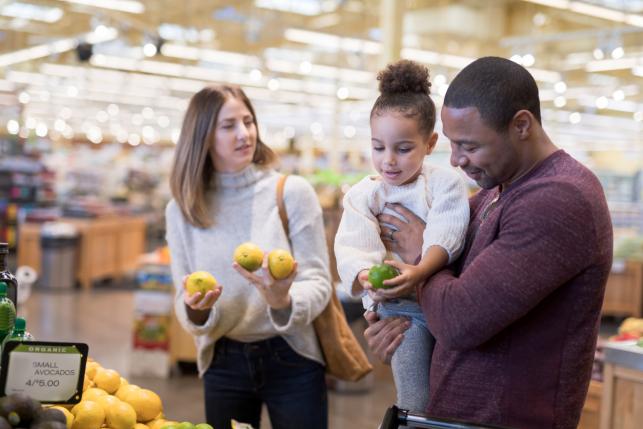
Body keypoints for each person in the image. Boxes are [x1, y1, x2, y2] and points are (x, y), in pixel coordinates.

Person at [365, 56, 613, 429]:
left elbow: (460, 319)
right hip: (456, 416)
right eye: (450, 144)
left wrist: (420, 255)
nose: (455, 160)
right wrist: (403, 326)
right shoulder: (496, 191)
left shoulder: (559, 199)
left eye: (469, 145)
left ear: (522, 125)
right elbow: (444, 302)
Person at [165, 85, 332, 429]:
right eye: (228, 126)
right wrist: (197, 310)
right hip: (222, 360)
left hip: (292, 355)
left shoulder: (292, 193)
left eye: (248, 121)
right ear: (203, 137)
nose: (244, 134)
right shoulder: (182, 210)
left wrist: (282, 299)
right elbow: (183, 297)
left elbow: (318, 281)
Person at [334, 59, 469, 414]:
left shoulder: (444, 184)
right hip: (398, 313)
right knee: (415, 401)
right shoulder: (364, 193)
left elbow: (448, 232)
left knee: (455, 396)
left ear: (430, 143)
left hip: (443, 304)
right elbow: (353, 244)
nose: (389, 161)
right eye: (379, 147)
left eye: (403, 148)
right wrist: (364, 276)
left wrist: (421, 270)